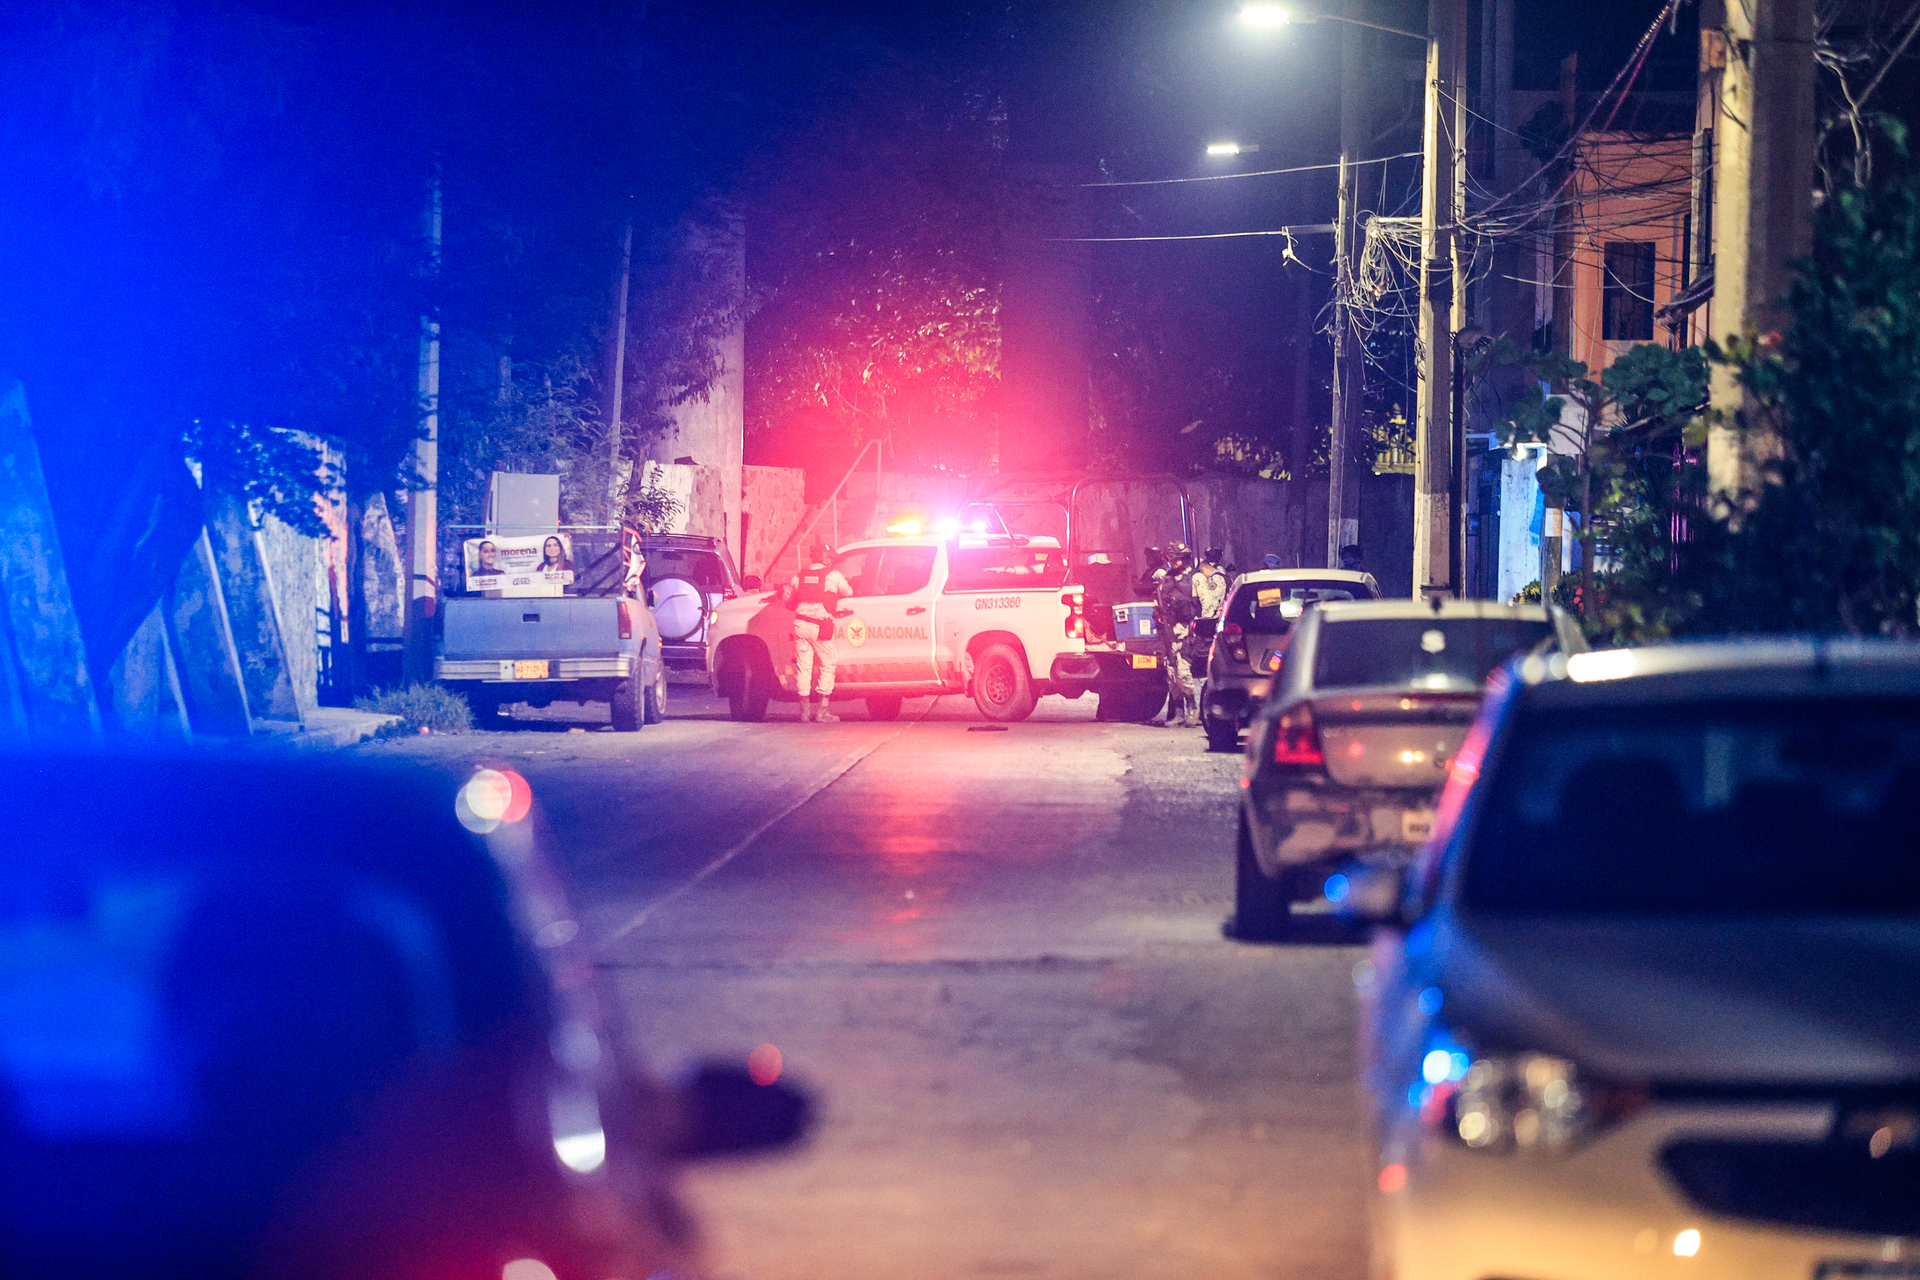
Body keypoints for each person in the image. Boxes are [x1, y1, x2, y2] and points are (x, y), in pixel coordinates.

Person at [783, 540, 851, 723]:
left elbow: (787, 597)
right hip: (821, 626)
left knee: (803, 667)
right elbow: (848, 592)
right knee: (828, 664)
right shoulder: (833, 576)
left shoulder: (799, 576)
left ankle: (804, 712)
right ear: (826, 558)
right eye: (830, 558)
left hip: (800, 625)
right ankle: (822, 711)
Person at [1154, 543, 1205, 728]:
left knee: (1183, 672)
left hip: (1186, 631)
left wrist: (1199, 628)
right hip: (1169, 632)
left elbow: (1205, 606)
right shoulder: (1167, 579)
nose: (1173, 563)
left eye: (1176, 559)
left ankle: (1193, 711)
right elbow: (1158, 605)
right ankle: (1178, 713)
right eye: (1171, 559)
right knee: (1171, 674)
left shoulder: (1196, 578)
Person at [1197, 547, 1228, 619]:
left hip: (1218, 618)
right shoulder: (1223, 574)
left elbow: (1214, 602)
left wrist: (1204, 618)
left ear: (1204, 568)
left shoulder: (1216, 578)